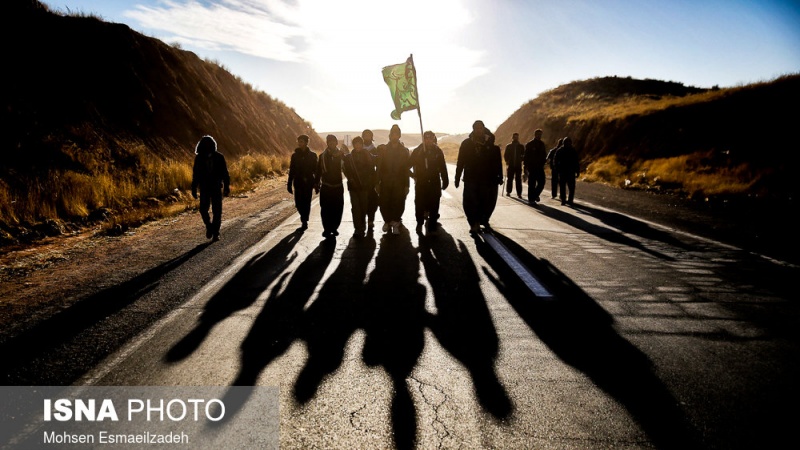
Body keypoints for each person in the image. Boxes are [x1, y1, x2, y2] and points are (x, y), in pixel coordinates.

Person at [454, 120, 503, 234]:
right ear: (473, 129)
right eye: (476, 128)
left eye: (480, 128)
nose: (478, 130)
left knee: (486, 202)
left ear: (483, 129)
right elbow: (460, 161)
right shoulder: (466, 144)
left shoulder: (491, 145)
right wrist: (457, 177)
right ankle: (473, 223)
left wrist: (500, 176)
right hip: (471, 178)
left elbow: (497, 162)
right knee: (470, 202)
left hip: (488, 179)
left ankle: (484, 220)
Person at [191, 135, 230, 241]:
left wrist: (226, 186)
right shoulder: (199, 158)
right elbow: (196, 174)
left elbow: (225, 173)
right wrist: (194, 187)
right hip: (204, 188)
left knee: (217, 211)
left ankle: (216, 232)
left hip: (216, 187)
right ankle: (209, 226)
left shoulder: (219, 157)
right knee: (203, 209)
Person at [409, 131, 449, 233]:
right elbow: (407, 165)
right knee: (419, 203)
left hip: (434, 181)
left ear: (433, 139)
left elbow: (443, 166)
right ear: (423, 139)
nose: (428, 140)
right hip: (421, 181)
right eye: (426, 138)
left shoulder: (437, 151)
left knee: (434, 204)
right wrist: (413, 175)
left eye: (430, 138)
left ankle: (432, 226)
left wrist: (445, 180)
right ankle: (419, 223)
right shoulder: (418, 151)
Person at [376, 124, 410, 235]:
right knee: (384, 202)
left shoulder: (404, 151)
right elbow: (379, 167)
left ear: (399, 136)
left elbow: (406, 169)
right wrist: (377, 183)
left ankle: (395, 223)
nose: (394, 136)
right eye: (392, 134)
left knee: (399, 202)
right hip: (385, 181)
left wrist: (407, 185)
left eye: (396, 134)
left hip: (399, 182)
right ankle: (387, 221)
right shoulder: (383, 150)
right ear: (390, 136)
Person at [343, 135, 377, 237]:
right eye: (355, 144)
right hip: (353, 187)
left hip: (364, 187)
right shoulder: (349, 157)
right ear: (353, 145)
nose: (357, 145)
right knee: (355, 208)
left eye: (359, 143)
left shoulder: (368, 155)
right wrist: (351, 179)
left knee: (363, 207)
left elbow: (373, 168)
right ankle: (358, 228)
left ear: (362, 145)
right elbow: (346, 170)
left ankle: (363, 226)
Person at [315, 134, 346, 238]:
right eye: (329, 141)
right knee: (325, 209)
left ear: (336, 143)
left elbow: (347, 168)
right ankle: (327, 229)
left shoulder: (342, 155)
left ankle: (334, 228)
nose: (331, 143)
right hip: (326, 186)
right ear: (327, 143)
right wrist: (316, 183)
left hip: (338, 186)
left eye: (333, 141)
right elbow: (318, 171)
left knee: (338, 208)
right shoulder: (322, 156)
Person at [287, 134, 318, 229]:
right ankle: (303, 216)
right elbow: (292, 170)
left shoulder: (312, 155)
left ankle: (304, 221)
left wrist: (317, 184)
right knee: (298, 203)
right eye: (299, 141)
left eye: (301, 141)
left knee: (306, 202)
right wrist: (289, 183)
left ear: (306, 142)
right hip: (298, 182)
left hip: (308, 182)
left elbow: (316, 170)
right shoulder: (295, 156)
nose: (299, 143)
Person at [523, 128, 547, 204]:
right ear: (535, 135)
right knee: (532, 184)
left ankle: (535, 195)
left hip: (540, 167)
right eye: (538, 134)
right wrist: (525, 167)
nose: (539, 136)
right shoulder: (529, 144)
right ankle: (531, 199)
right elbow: (526, 157)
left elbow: (544, 155)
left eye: (540, 135)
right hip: (532, 167)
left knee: (542, 183)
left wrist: (544, 162)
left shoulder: (542, 144)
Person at [362, 129, 380, 231]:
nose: (367, 137)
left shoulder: (374, 149)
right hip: (361, 179)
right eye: (365, 135)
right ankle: (362, 221)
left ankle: (371, 220)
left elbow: (378, 165)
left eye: (369, 135)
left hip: (371, 179)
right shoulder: (359, 148)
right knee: (362, 201)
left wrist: (377, 179)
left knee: (372, 201)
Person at [555, 136, 580, 206]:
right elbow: (556, 161)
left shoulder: (572, 150)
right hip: (563, 171)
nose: (568, 144)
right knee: (564, 186)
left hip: (570, 172)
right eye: (567, 142)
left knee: (570, 187)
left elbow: (576, 162)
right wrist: (557, 169)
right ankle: (564, 199)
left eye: (569, 142)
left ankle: (569, 200)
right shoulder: (560, 150)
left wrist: (577, 171)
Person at [504, 132, 525, 198]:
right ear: (512, 138)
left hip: (518, 165)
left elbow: (524, 154)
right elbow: (505, 155)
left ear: (518, 138)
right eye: (514, 137)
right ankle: (508, 192)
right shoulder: (509, 146)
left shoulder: (521, 146)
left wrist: (521, 159)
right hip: (511, 165)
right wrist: (507, 161)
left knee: (518, 180)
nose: (516, 138)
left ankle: (519, 193)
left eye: (517, 137)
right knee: (510, 179)